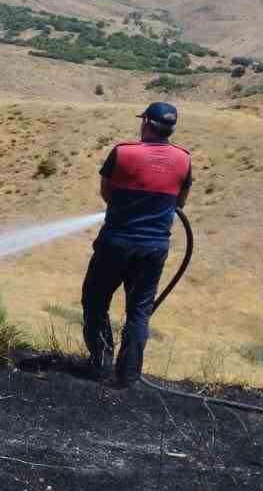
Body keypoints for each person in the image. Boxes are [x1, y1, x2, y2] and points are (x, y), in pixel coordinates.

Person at [81, 102, 192, 387]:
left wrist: (126, 210)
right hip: (154, 249)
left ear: (146, 124)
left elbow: (106, 192)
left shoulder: (123, 152)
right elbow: (179, 203)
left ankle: (101, 364)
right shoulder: (183, 159)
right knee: (139, 312)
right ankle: (129, 376)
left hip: (115, 243)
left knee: (95, 300)